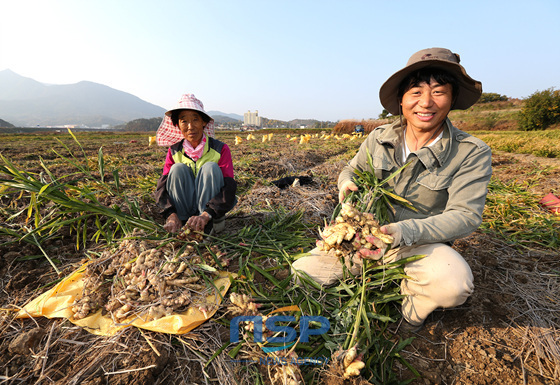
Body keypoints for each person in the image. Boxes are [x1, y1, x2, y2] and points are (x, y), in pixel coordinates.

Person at [292, 48, 492, 331]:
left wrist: (403, 232)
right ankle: (374, 279)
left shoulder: (470, 152)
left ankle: (411, 313)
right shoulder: (378, 138)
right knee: (302, 273)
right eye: (416, 92)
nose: (426, 102)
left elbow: (465, 216)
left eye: (438, 92)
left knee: (452, 284)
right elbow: (352, 170)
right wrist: (346, 184)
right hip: (365, 239)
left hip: (418, 245)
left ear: (452, 98)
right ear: (401, 100)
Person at [154, 94, 237, 234]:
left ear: (204, 122)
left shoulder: (220, 149)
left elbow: (228, 188)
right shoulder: (174, 151)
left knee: (210, 168)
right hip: (182, 218)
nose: (190, 126)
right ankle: (182, 221)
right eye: (184, 121)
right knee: (177, 169)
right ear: (178, 125)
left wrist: (206, 215)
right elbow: (161, 188)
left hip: (210, 216)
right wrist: (170, 215)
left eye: (195, 120)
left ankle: (207, 225)